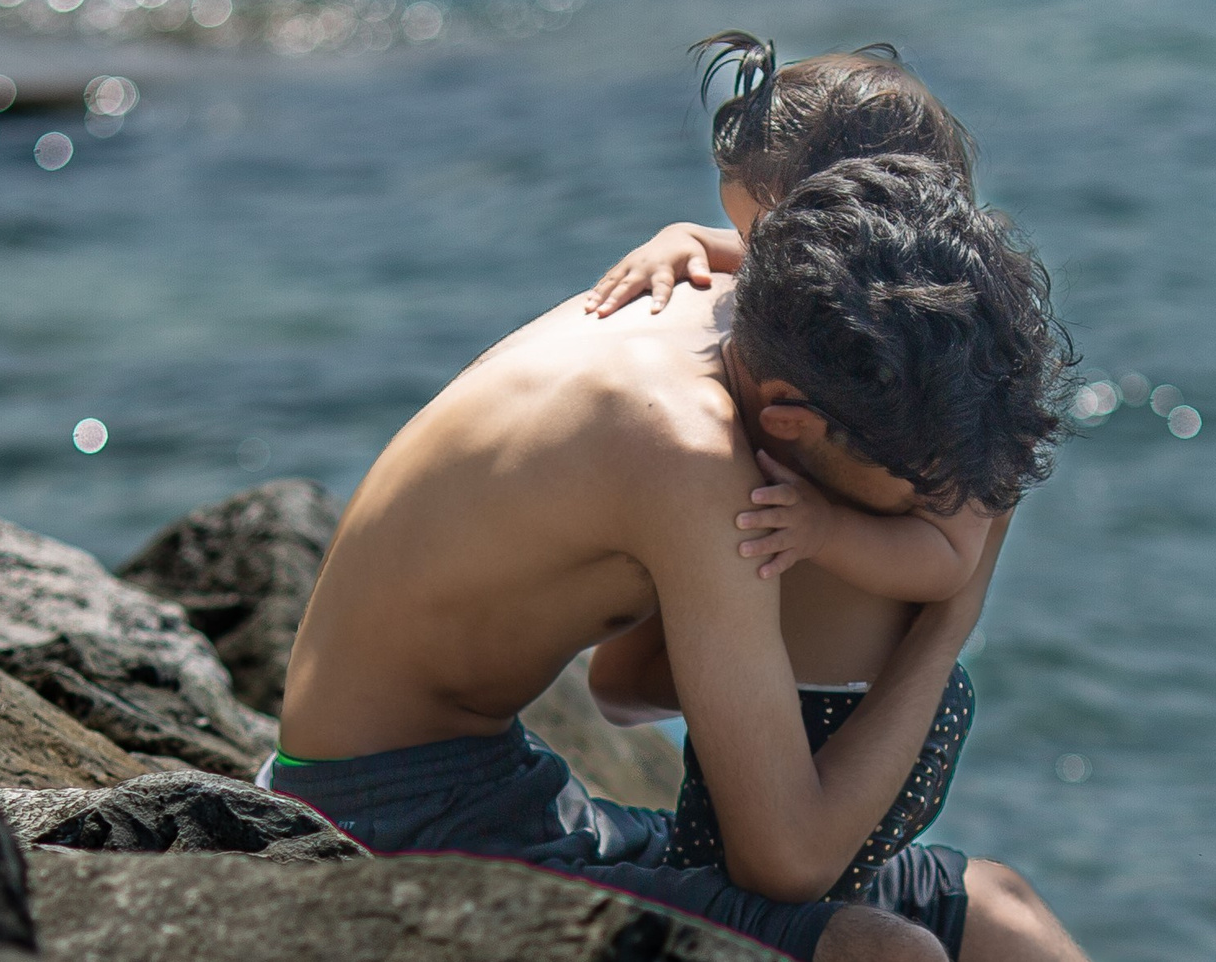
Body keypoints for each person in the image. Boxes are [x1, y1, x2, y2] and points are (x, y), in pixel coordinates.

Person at [264, 37, 1089, 962]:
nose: (928, 516)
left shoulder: (779, 318)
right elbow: (789, 861)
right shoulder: (686, 448)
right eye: (911, 489)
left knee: (1000, 914)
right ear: (793, 419)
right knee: (885, 953)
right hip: (382, 823)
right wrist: (947, 617)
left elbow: (629, 680)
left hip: (500, 782)